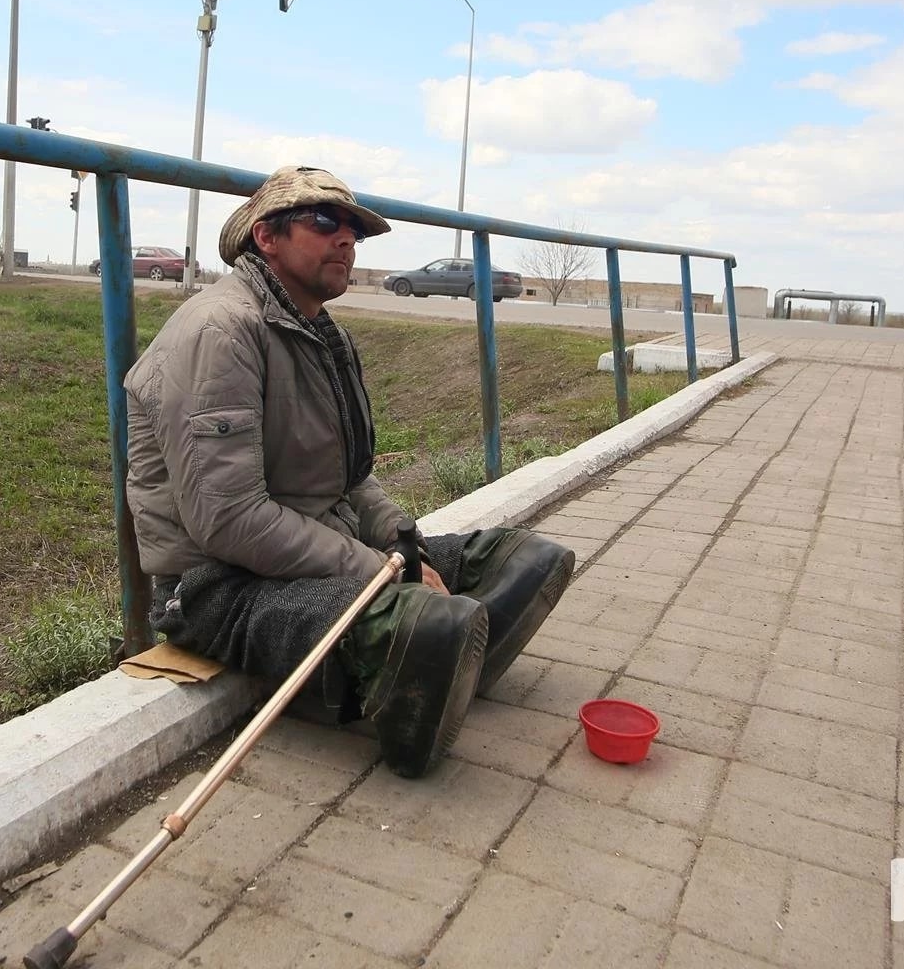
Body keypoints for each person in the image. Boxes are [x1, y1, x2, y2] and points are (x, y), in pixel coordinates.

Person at [124, 166, 574, 778]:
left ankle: (445, 663)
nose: (346, 240)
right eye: (324, 222)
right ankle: (421, 687)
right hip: (217, 585)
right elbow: (227, 521)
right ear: (266, 237)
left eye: (354, 230)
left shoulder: (320, 333)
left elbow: (351, 479)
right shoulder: (219, 334)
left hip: (314, 545)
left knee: (525, 557)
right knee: (425, 618)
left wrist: (399, 544)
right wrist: (381, 574)